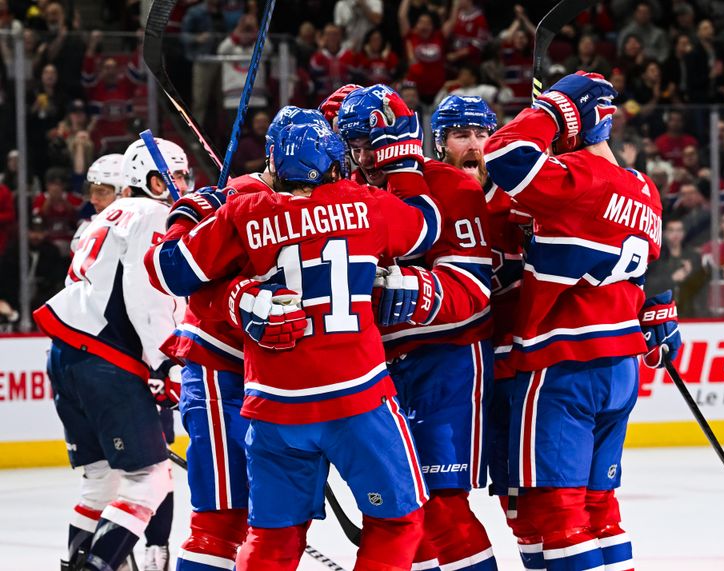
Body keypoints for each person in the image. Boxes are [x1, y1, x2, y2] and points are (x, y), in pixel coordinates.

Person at [146, 117, 442, 570]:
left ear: (273, 163)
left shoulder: (243, 213)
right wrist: (399, 160)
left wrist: (188, 211)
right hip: (357, 398)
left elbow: (170, 271)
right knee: (400, 522)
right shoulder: (368, 203)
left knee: (272, 539)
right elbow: (428, 225)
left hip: (274, 407)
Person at [484, 71, 680, 570]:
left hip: (563, 365)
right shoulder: (644, 189)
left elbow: (504, 156)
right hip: (620, 367)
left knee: (557, 511)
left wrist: (548, 110)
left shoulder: (576, 181)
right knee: (600, 508)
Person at [337, 84, 498, 571]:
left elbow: (475, 293)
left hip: (446, 360)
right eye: (355, 144)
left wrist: (419, 291)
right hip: (380, 371)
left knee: (444, 509)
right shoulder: (350, 194)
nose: (364, 155)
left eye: (373, 142)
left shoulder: (451, 187)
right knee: (402, 508)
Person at [161, 106, 325, 571]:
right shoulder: (238, 196)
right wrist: (189, 218)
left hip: (284, 382)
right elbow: (171, 273)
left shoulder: (334, 202)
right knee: (220, 521)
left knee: (281, 521)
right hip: (222, 370)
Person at [32, 137, 190, 571]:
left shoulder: (108, 216)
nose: (177, 184)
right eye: (169, 176)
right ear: (145, 178)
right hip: (107, 359)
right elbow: (149, 298)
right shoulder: (154, 215)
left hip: (68, 354)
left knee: (101, 483)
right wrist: (165, 361)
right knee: (150, 479)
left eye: (181, 176)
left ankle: (77, 564)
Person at [431, 94, 529, 537]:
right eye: (460, 135)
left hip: (512, 369)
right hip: (448, 369)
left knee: (522, 502)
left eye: (482, 133)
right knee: (442, 496)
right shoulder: (425, 204)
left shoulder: (521, 198)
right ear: (439, 143)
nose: (474, 145)